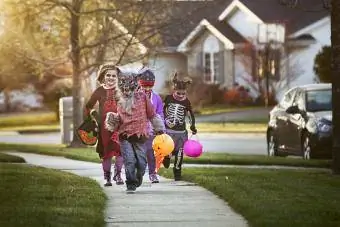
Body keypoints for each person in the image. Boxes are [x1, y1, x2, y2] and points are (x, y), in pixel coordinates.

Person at [105, 67, 165, 193]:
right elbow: (115, 115)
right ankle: (130, 183)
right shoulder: (117, 98)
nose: (126, 90)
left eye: (129, 86)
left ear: (134, 84)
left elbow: (152, 114)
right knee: (130, 160)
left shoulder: (142, 97)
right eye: (123, 87)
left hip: (140, 135)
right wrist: (112, 120)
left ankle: (138, 178)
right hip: (124, 135)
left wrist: (159, 128)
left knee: (142, 162)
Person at [84, 63, 124, 186]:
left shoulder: (122, 90)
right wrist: (94, 116)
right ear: (103, 76)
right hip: (104, 128)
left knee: (120, 152)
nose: (111, 78)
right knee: (106, 153)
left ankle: (118, 176)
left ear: (118, 78)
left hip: (119, 127)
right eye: (108, 75)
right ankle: (107, 177)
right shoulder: (99, 91)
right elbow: (88, 106)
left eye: (114, 76)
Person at [162, 72, 197, 181]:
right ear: (174, 90)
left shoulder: (186, 101)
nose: (181, 96)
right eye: (178, 93)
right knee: (168, 150)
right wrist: (164, 121)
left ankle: (177, 172)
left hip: (181, 132)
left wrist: (192, 126)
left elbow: (190, 114)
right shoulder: (168, 98)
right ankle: (166, 157)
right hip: (169, 130)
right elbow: (162, 111)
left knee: (180, 153)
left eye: (183, 93)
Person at [137, 68, 164, 183]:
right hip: (137, 130)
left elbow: (160, 112)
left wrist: (161, 128)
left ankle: (152, 173)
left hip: (151, 130)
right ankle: (138, 173)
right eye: (144, 86)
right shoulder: (135, 95)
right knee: (138, 153)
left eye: (149, 86)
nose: (147, 89)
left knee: (150, 152)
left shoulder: (156, 97)